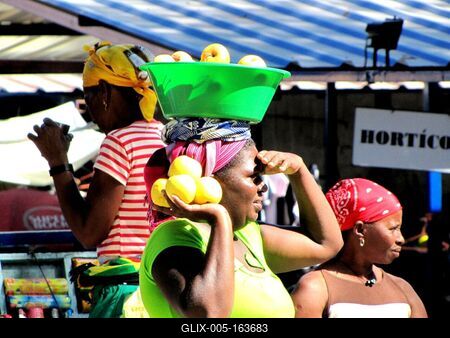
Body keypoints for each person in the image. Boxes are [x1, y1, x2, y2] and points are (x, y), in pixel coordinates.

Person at [139, 118, 343, 318]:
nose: (263, 186)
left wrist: (298, 171)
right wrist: (220, 218)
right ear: (211, 180)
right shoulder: (173, 236)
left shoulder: (248, 235)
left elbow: (326, 244)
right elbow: (208, 314)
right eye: (253, 177)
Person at [27, 41, 165, 317]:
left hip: (126, 292)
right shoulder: (164, 135)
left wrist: (58, 163)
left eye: (88, 96)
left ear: (104, 92)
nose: (88, 108)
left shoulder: (120, 141)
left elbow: (89, 232)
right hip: (161, 288)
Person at [291, 178, 428, 318]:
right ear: (360, 230)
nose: (401, 239)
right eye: (393, 228)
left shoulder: (403, 289)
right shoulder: (316, 288)